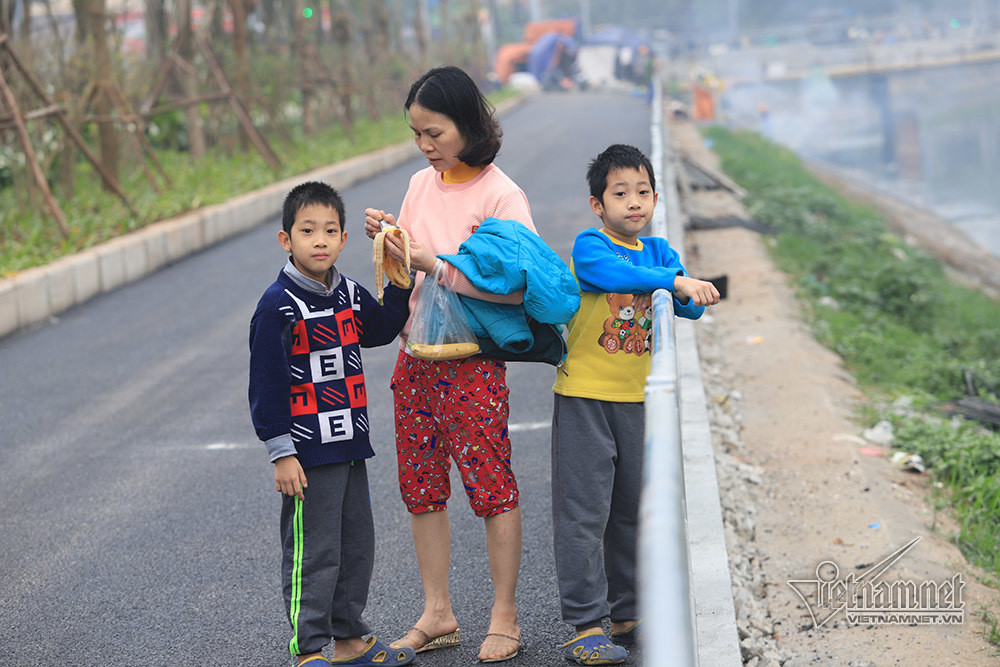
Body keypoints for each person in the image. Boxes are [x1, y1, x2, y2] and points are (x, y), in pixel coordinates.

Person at [362, 65, 533, 663]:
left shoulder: (502, 196)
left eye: (435, 133)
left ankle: (504, 616)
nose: (426, 146)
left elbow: (518, 288)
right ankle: (438, 612)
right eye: (416, 134)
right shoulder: (418, 185)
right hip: (415, 359)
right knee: (421, 489)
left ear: (468, 124)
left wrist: (436, 262)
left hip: (472, 364)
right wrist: (388, 241)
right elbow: (404, 273)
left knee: (491, 488)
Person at [550, 144, 720, 664]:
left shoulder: (662, 252)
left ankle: (627, 610)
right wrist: (672, 281)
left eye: (643, 192)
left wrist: (686, 288)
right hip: (585, 397)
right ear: (598, 204)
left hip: (640, 401)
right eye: (620, 193)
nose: (634, 203)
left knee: (630, 512)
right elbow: (614, 278)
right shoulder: (590, 246)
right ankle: (584, 623)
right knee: (583, 513)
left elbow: (684, 310)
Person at [248, 181, 416, 667]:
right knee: (313, 552)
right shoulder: (276, 306)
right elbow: (266, 385)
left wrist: (400, 281)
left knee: (355, 546)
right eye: (307, 231)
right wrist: (281, 452)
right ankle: (307, 650)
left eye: (330, 231)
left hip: (349, 444)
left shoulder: (347, 292)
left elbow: (381, 330)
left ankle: (349, 641)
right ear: (287, 240)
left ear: (344, 240)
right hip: (306, 453)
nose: (319, 240)